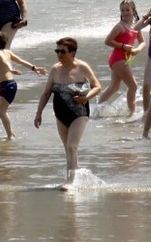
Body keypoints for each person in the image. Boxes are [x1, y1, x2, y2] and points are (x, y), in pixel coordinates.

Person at [33, 37, 101, 187]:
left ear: (72, 52)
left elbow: (97, 86)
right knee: (68, 149)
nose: (59, 54)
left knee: (72, 146)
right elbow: (46, 93)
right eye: (57, 51)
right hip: (60, 113)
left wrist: (86, 97)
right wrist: (38, 113)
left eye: (62, 51)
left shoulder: (82, 67)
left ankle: (70, 183)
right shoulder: (55, 69)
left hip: (79, 112)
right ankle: (76, 178)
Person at [0, 33, 46, 140]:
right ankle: (10, 133)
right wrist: (34, 68)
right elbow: (20, 61)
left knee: (1, 111)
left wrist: (11, 69)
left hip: (7, 85)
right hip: (9, 84)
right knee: (0, 110)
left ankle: (10, 135)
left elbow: (5, 62)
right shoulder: (7, 51)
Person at [96, 0, 143, 116]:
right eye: (122, 10)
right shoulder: (119, 26)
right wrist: (122, 46)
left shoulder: (136, 25)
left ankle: (97, 110)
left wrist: (137, 50)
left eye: (127, 9)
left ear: (133, 10)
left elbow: (142, 42)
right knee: (133, 85)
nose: (125, 12)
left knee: (114, 87)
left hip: (125, 59)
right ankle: (131, 113)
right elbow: (107, 41)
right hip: (117, 58)